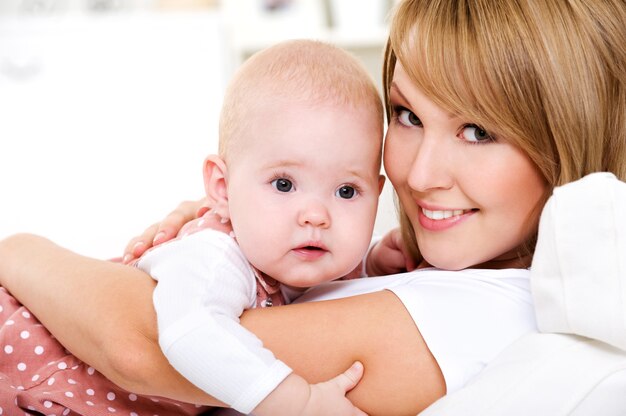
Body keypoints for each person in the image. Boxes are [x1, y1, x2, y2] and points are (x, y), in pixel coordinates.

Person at [0, 0, 624, 414]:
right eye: (407, 115)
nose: (417, 173)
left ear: (571, 134)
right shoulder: (429, 263)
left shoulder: (479, 318)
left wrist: (18, 250)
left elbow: (143, 347)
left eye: (478, 132)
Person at [1, 39, 388, 416]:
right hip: (28, 366)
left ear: (378, 193)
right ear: (222, 188)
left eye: (347, 190)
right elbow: (189, 333)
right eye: (284, 184)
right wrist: (296, 402)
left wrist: (375, 261)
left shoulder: (309, 251)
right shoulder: (215, 255)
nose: (316, 215)